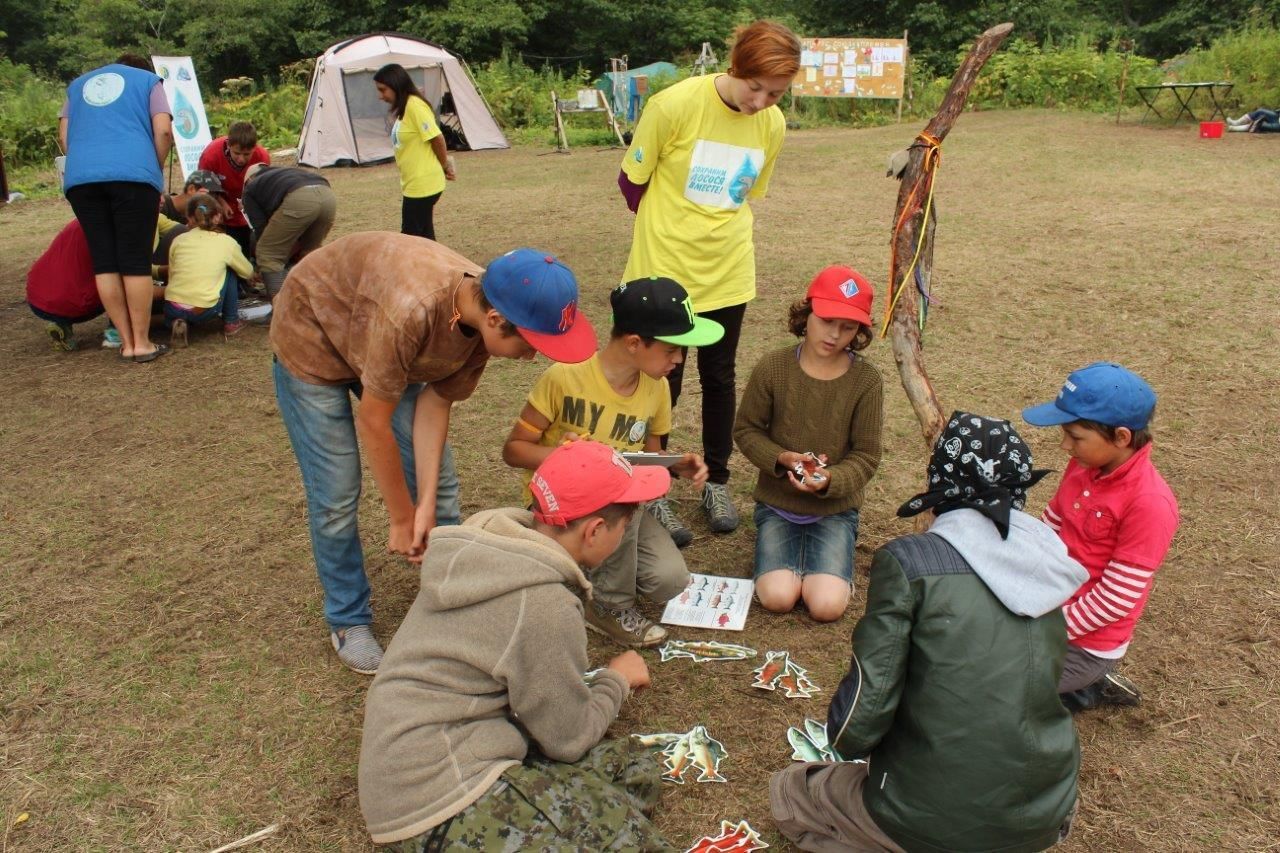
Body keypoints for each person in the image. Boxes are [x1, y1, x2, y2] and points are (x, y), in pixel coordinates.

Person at [270, 235, 597, 674]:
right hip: (317, 335)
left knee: (439, 484)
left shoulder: (481, 323)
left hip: (383, 341)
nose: (533, 357)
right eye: (532, 345)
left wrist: (423, 502)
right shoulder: (413, 311)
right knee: (336, 496)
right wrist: (403, 517)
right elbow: (374, 422)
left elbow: (434, 403)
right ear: (497, 319)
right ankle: (348, 618)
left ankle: (449, 595)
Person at [771, 413, 1084, 853]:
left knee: (792, 791)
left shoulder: (910, 562)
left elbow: (855, 729)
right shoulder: (1050, 556)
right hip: (1044, 812)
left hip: (930, 816)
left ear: (940, 476)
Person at [358, 440, 672, 849]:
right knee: (631, 840)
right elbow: (568, 741)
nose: (624, 535)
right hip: (438, 797)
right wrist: (615, 680)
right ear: (595, 530)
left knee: (634, 770)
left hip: (415, 756)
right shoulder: (543, 604)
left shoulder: (489, 547)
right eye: (624, 528)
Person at [618, 20, 801, 536]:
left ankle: (716, 482)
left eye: (777, 93)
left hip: (728, 273)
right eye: (755, 87)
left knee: (719, 379)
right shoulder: (673, 106)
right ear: (735, 67)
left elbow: (745, 196)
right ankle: (654, 488)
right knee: (659, 383)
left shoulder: (773, 124)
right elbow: (631, 182)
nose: (762, 101)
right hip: (664, 276)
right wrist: (664, 237)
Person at [503, 276, 720, 646]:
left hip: (617, 512)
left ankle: (588, 574)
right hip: (562, 510)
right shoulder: (564, 377)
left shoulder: (657, 388)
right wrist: (568, 456)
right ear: (635, 343)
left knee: (670, 580)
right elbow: (514, 450)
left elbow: (645, 462)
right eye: (672, 349)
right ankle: (607, 607)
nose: (678, 359)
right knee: (622, 495)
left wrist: (673, 464)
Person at [1022, 362, 1180, 711]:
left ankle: (1089, 681)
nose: (1065, 446)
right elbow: (1051, 525)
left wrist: (1039, 631)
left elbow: (1115, 600)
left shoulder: (1150, 504)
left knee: (994, 684)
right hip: (1045, 609)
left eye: (1075, 436)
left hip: (1083, 643)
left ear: (1122, 437)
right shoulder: (1083, 464)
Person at [733, 266, 883, 622]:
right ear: (807, 313)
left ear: (859, 331)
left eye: (848, 327)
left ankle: (829, 561)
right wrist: (781, 457)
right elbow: (747, 430)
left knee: (827, 607)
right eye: (827, 320)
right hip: (777, 503)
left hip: (835, 511)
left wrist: (830, 480)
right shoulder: (773, 367)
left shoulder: (867, 380)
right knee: (777, 598)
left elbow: (866, 455)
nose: (834, 334)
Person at [59, 53, 173, 362]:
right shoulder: (150, 82)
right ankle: (142, 343)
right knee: (134, 261)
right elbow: (163, 130)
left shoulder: (77, 86)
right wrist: (153, 167)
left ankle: (125, 343)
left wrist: (87, 162)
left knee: (105, 261)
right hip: (133, 176)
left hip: (82, 179)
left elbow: (64, 136)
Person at [373, 63, 455, 240]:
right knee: (424, 238)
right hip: (414, 184)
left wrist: (444, 165)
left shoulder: (415, 106)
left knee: (410, 240)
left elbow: (437, 138)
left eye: (383, 90)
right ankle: (435, 267)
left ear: (395, 85)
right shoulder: (406, 107)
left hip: (423, 185)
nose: (380, 96)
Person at [163, 193, 252, 346]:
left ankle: (179, 321)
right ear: (217, 217)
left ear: (189, 217)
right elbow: (247, 272)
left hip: (172, 307)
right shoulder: (226, 242)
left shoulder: (178, 240)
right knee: (230, 269)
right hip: (203, 309)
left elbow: (172, 272)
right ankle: (231, 321)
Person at [241, 163, 336, 297]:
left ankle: (282, 310)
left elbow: (261, 229)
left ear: (249, 179)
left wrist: (262, 264)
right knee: (309, 252)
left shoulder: (251, 188)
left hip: (300, 198)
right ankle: (321, 299)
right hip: (327, 196)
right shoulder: (283, 174)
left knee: (269, 253)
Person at [197, 121, 270, 256]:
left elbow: (263, 188)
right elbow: (205, 186)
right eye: (236, 153)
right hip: (220, 200)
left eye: (247, 154)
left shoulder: (262, 157)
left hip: (246, 204)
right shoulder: (211, 156)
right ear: (229, 144)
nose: (241, 159)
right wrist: (220, 202)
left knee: (248, 245)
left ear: (254, 148)